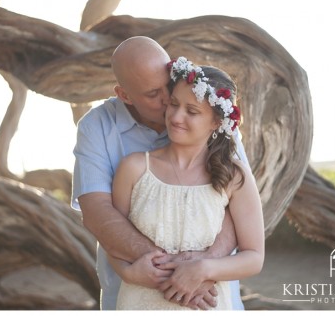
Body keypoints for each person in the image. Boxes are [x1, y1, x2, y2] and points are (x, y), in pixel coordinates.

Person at [72, 36, 251, 310]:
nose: (169, 100)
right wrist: (176, 272)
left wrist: (204, 266)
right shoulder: (97, 127)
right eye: (153, 94)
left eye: (167, 84)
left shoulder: (210, 115)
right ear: (125, 95)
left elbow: (235, 202)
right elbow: (98, 213)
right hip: (135, 293)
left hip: (209, 294)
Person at [107, 57, 265, 310]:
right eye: (173, 104)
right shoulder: (134, 168)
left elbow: (254, 258)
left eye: (192, 111)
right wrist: (128, 273)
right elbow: (112, 241)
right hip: (140, 304)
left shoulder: (233, 176)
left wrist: (203, 269)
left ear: (216, 122)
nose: (176, 117)